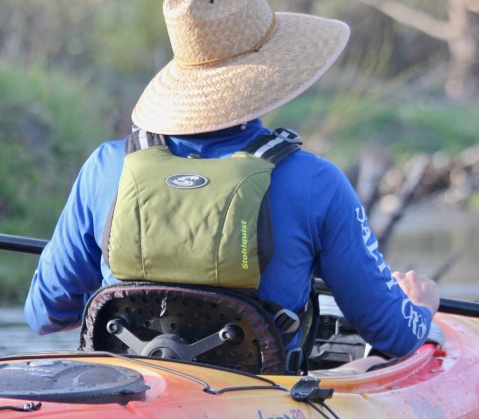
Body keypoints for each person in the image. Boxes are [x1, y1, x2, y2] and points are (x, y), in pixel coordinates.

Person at [24, 0, 439, 361]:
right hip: (257, 403)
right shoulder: (317, 182)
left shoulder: (106, 166)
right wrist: (420, 306)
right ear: (271, 71)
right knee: (371, 362)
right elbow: (395, 335)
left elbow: (45, 315)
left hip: (131, 391)